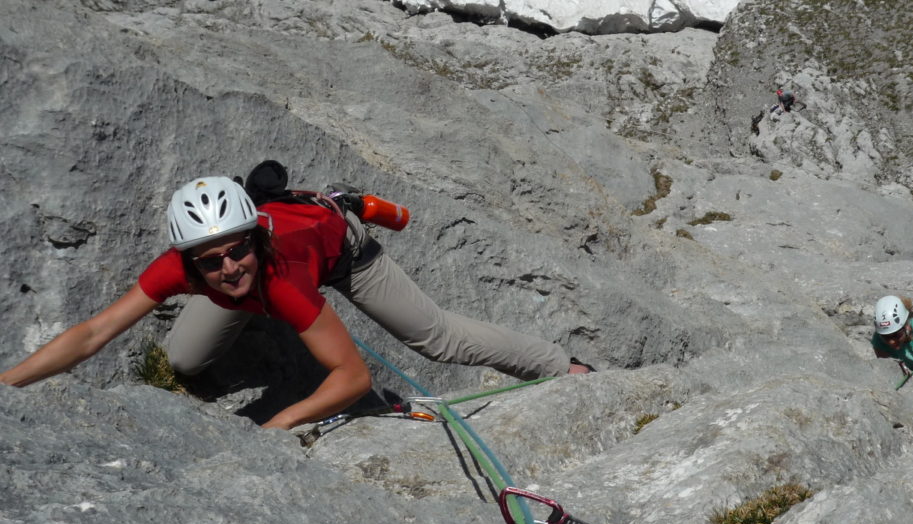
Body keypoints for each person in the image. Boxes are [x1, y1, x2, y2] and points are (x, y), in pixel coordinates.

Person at [1, 176, 593, 430]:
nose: (226, 266)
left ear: (255, 239)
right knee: (183, 360)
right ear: (188, 261)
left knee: (436, 338)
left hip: (341, 255)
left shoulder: (278, 276)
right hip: (272, 277)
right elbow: (93, 333)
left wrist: (276, 424)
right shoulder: (191, 266)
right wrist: (8, 384)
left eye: (236, 251)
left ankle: (562, 367)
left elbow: (352, 376)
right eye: (210, 260)